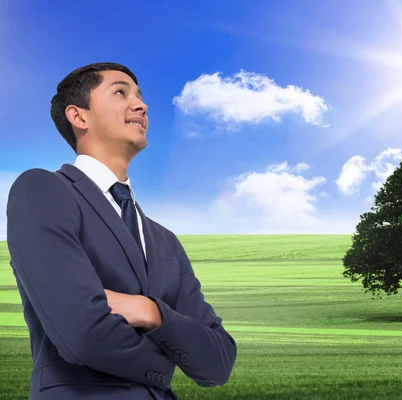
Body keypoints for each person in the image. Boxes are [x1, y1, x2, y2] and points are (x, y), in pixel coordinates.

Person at [5, 62, 237, 400]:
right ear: (79, 117)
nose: (141, 105)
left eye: (140, 96)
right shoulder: (42, 190)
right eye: (120, 92)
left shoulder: (165, 241)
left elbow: (218, 361)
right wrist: (168, 362)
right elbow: (82, 335)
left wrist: (149, 311)